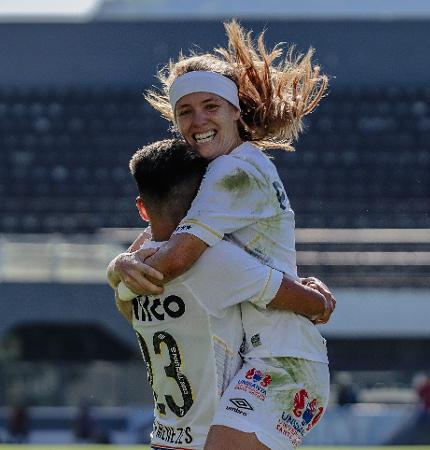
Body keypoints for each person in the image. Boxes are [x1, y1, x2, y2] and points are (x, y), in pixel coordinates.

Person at [108, 20, 334, 449]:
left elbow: (173, 258)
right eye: (185, 111)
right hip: (251, 361)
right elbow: (159, 240)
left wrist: (118, 274)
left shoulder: (235, 170)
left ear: (235, 111)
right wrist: (119, 265)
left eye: (211, 106)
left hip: (282, 361)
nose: (198, 121)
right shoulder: (219, 173)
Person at [115, 139, 333, 449]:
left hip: (169, 435)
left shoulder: (132, 273)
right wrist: (314, 294)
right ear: (204, 202)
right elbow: (311, 304)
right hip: (214, 432)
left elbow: (121, 297)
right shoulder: (211, 260)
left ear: (141, 208)